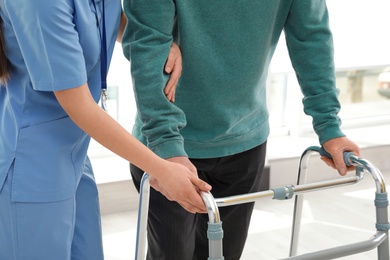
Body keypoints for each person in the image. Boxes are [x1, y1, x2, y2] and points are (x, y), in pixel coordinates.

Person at [122, 1, 361, 259]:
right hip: (167, 148)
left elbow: (311, 37)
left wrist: (329, 126)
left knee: (225, 254)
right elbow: (147, 45)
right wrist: (166, 146)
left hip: (245, 143)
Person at [0, 1, 211, 259]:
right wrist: (161, 169)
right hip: (32, 166)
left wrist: (155, 42)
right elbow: (78, 106)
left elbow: (104, 17)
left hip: (74, 155)